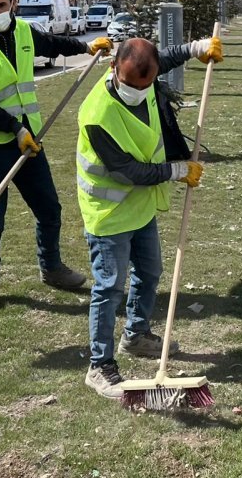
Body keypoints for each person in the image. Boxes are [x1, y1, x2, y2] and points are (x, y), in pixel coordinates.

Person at [0, 0, 114, 308]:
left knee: (49, 208)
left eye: (0, 5)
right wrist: (15, 128)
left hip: (30, 142)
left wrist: (86, 46)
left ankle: (51, 268)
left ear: (14, 2)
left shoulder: (23, 32)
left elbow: (53, 44)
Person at [75, 36, 223, 398]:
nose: (138, 92)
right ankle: (100, 366)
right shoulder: (97, 114)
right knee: (109, 287)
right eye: (130, 85)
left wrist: (196, 48)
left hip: (138, 208)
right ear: (114, 68)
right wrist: (176, 171)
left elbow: (164, 57)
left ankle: (137, 336)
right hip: (108, 213)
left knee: (150, 271)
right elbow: (127, 170)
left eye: (146, 85)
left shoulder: (144, 76)